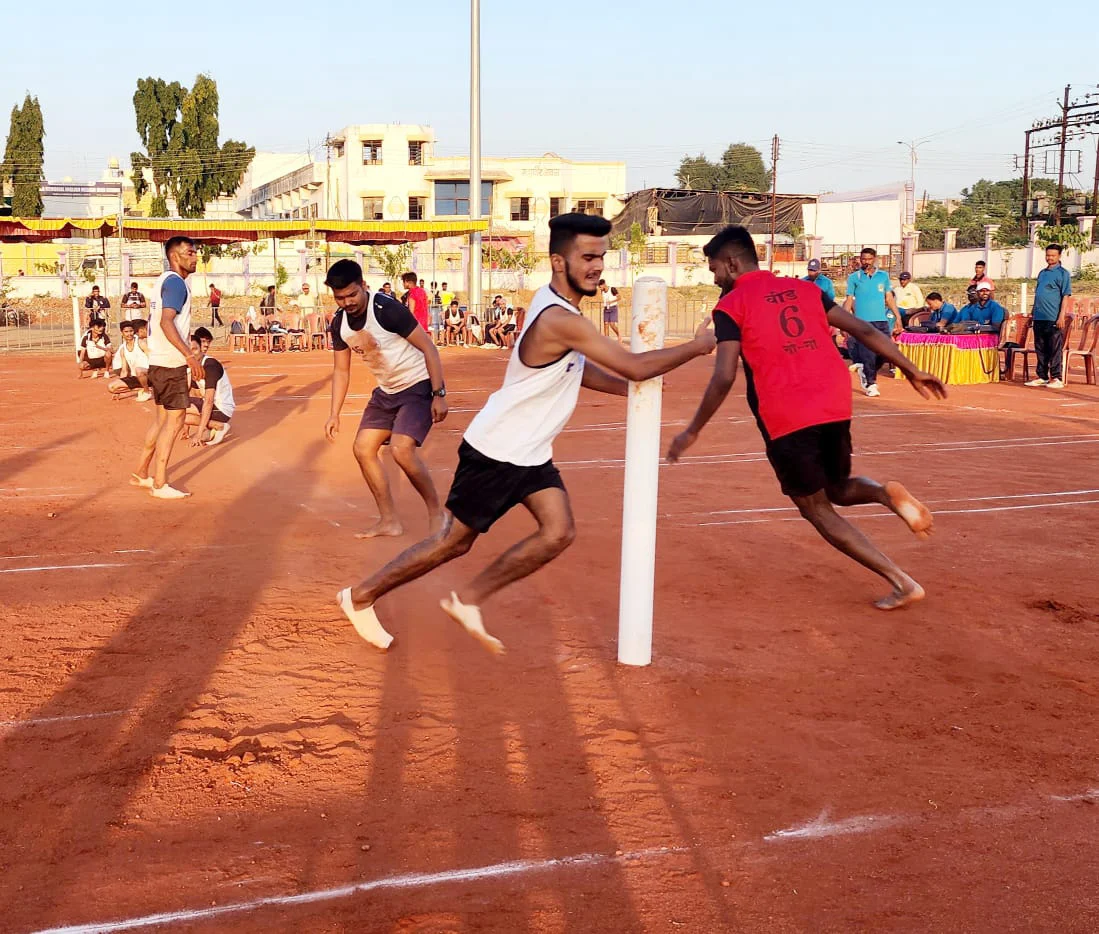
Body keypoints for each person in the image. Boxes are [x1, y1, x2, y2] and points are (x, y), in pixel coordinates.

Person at [333, 212, 717, 653]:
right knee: (450, 543)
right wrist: (697, 347)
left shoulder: (553, 303)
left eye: (600, 257)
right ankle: (360, 596)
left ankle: (469, 599)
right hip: (498, 449)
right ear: (558, 261)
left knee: (558, 530)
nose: (597, 266)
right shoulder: (561, 319)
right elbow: (633, 364)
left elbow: (578, 369)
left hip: (529, 451)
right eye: (587, 257)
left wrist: (629, 390)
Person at [667, 225, 946, 611]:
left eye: (714, 269)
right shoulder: (805, 289)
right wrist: (911, 369)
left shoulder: (730, 306)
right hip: (833, 401)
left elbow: (724, 374)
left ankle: (902, 581)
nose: (714, 278)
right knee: (837, 488)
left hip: (787, 412)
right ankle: (884, 494)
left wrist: (693, 429)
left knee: (815, 507)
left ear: (731, 264)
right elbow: (863, 329)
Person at [324, 259, 449, 538]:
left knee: (402, 450)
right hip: (387, 392)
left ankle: (436, 513)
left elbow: (429, 348)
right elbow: (341, 371)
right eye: (340, 297)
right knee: (362, 448)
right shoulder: (340, 324)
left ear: (363, 285)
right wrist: (334, 413)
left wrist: (438, 394)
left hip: (417, 385)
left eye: (352, 294)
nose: (347, 302)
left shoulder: (386, 309)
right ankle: (389, 521)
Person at [131, 236, 204, 500]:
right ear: (175, 256)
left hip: (158, 362)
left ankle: (141, 472)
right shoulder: (176, 283)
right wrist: (190, 356)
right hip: (171, 363)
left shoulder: (164, 280)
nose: (195, 257)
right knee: (175, 422)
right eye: (190, 253)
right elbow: (166, 322)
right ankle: (160, 482)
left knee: (161, 420)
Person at [843, 247, 899, 398]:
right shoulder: (854, 278)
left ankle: (865, 371)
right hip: (862, 322)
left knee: (885, 352)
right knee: (868, 354)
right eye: (863, 259)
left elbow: (889, 298)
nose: (865, 262)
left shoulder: (883, 276)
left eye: (868, 259)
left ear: (874, 259)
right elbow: (849, 300)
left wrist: (898, 317)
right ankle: (871, 383)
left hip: (881, 321)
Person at [1026, 244, 1072, 389]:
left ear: (1059, 256)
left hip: (1053, 317)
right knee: (1040, 348)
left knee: (1054, 348)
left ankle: (1056, 377)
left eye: (1053, 255)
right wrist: (1033, 313)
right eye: (1048, 255)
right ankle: (1042, 376)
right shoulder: (1042, 273)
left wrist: (1061, 316)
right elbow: (1038, 295)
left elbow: (1065, 296)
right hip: (1039, 317)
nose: (1049, 258)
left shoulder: (1063, 274)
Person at [185, 328, 235, 446]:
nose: (192, 354)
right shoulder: (193, 365)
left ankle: (219, 426)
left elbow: (208, 400)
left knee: (177, 410)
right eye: (189, 350)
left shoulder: (210, 366)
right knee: (178, 409)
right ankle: (211, 428)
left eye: (195, 349)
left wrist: (198, 433)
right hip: (212, 405)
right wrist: (186, 428)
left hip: (222, 409)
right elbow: (189, 392)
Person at [108, 320, 152, 400]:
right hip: (136, 377)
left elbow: (152, 359)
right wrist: (122, 383)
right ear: (122, 333)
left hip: (148, 375)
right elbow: (124, 370)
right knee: (111, 387)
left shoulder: (141, 343)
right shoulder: (123, 349)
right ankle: (141, 389)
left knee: (138, 370)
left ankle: (147, 392)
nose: (129, 334)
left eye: (131, 331)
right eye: (126, 332)